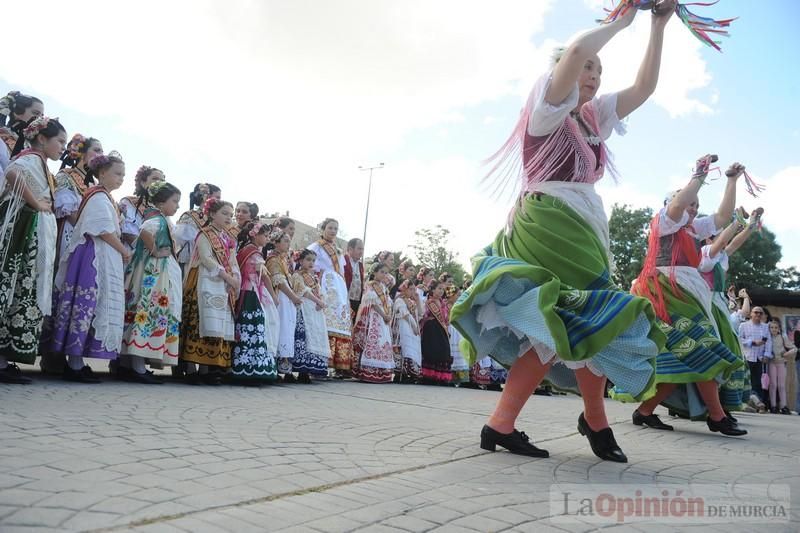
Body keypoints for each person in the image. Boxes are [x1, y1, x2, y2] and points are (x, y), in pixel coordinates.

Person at [450, 2, 679, 461]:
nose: (594, 74)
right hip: (548, 224)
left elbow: (646, 87)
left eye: (599, 69)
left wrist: (658, 25)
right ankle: (593, 423)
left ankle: (506, 424)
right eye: (587, 66)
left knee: (576, 326)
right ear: (565, 69)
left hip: (584, 227)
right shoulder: (547, 109)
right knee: (575, 321)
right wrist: (625, 19)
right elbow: (576, 48)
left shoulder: (592, 117)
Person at [623, 156, 747, 436]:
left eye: (697, 206)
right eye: (690, 203)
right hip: (664, 290)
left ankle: (644, 412)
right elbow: (680, 205)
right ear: (673, 202)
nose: (694, 209)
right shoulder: (664, 222)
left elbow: (722, 218)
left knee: (683, 358)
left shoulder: (692, 229)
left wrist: (730, 181)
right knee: (702, 348)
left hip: (686, 292)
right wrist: (700, 176)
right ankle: (717, 416)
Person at [51, 153, 129, 383]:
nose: (120, 178)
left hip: (101, 254)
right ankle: (74, 363)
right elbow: (102, 229)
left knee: (93, 305)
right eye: (117, 173)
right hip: (93, 256)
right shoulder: (97, 196)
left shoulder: (105, 197)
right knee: (86, 304)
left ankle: (77, 362)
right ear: (101, 173)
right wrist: (124, 250)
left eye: (123, 175)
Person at [0, 117, 65, 384]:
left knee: (22, 290)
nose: (63, 147)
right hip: (22, 234)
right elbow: (13, 173)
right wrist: (35, 202)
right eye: (59, 141)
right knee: (15, 286)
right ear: (41, 139)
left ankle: (4, 359)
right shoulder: (29, 158)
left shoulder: (42, 163)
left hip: (32, 233)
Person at [697, 208, 762, 417]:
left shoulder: (721, 255)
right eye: (719, 234)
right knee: (714, 351)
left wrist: (751, 223)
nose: (724, 239)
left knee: (728, 351)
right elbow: (724, 241)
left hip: (719, 305)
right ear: (709, 237)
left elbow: (735, 242)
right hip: (706, 304)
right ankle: (710, 406)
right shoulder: (706, 253)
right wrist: (735, 220)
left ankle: (719, 405)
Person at [120, 181, 183, 384]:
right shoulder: (156, 219)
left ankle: (134, 365)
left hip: (155, 272)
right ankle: (137, 367)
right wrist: (155, 251)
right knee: (146, 310)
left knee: (146, 312)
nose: (177, 206)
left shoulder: (160, 218)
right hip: (152, 275)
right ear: (162, 201)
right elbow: (145, 231)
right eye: (174, 201)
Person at [180, 198, 240, 385]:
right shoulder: (204, 234)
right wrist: (227, 277)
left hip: (222, 283)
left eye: (231, 215)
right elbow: (206, 258)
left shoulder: (228, 238)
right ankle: (190, 368)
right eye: (224, 213)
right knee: (197, 320)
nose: (229, 218)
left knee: (216, 324)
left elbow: (232, 260)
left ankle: (206, 368)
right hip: (203, 279)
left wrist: (236, 277)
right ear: (212, 214)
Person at [231, 222, 278, 383]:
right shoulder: (254, 253)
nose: (267, 238)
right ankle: (253, 368)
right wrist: (273, 296)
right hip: (251, 294)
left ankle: (242, 365)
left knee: (246, 328)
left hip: (246, 292)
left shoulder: (245, 250)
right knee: (255, 327)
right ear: (255, 235)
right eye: (265, 235)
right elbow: (264, 276)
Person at [307, 218, 354, 377]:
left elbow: (341, 269)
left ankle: (336, 365)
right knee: (326, 322)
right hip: (325, 284)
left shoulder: (338, 250)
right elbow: (312, 268)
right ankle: (321, 363)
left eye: (336, 228)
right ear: (323, 228)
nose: (333, 231)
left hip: (338, 286)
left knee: (339, 323)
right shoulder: (316, 247)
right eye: (330, 228)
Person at [266, 227, 302, 382]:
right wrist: (293, 297)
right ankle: (276, 367)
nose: (288, 243)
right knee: (281, 330)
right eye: (285, 241)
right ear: (276, 243)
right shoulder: (273, 259)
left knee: (287, 329)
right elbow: (278, 281)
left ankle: (284, 367)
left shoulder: (283, 259)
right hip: (281, 297)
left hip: (287, 299)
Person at [290, 250, 331, 383]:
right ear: (300, 261)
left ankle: (307, 371)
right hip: (304, 309)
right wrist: (318, 301)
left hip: (315, 311)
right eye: (308, 259)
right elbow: (303, 291)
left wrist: (321, 300)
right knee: (304, 338)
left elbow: (320, 291)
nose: (311, 263)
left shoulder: (314, 277)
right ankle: (301, 370)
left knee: (314, 337)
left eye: (313, 260)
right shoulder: (297, 276)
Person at [353, 263, 396, 383]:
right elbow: (372, 303)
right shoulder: (370, 285)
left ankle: (382, 372)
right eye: (382, 272)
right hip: (375, 317)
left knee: (383, 341)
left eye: (386, 272)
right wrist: (383, 315)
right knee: (375, 340)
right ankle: (369, 370)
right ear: (374, 273)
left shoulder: (384, 287)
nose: (384, 275)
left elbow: (387, 303)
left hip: (384, 318)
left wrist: (388, 316)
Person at [175, 183, 221, 273]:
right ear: (206, 197)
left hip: (213, 265)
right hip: (193, 265)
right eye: (217, 197)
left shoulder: (217, 219)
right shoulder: (190, 217)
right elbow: (179, 239)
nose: (219, 201)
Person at [119, 166, 166, 252]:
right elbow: (128, 233)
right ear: (143, 183)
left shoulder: (164, 211)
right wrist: (150, 253)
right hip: (134, 256)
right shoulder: (129, 202)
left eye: (162, 181)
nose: (159, 183)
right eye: (155, 179)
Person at [420, 280, 452, 385]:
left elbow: (446, 318)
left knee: (443, 351)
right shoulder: (429, 302)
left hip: (441, 330)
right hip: (432, 330)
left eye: (443, 289)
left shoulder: (443, 303)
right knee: (432, 351)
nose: (441, 291)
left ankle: (441, 377)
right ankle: (429, 376)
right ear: (433, 290)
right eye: (439, 288)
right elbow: (423, 315)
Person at [0, 91, 44, 167]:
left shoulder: (31, 147)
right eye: (36, 113)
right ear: (18, 112)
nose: (39, 119)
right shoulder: (2, 136)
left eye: (41, 116)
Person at [739, 307, 772, 405]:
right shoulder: (743, 325)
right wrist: (752, 342)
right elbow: (739, 339)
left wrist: (767, 355)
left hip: (759, 358)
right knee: (745, 380)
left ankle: (758, 403)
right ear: (751, 314)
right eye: (756, 312)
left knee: (757, 382)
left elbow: (768, 342)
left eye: (760, 313)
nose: (758, 314)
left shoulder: (765, 327)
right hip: (747, 357)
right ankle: (745, 403)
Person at [391, 280, 422, 383]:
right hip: (402, 328)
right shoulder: (399, 300)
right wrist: (414, 325)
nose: (412, 291)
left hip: (410, 330)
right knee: (402, 349)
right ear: (404, 289)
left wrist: (418, 301)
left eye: (414, 289)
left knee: (410, 350)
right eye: (410, 289)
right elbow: (404, 314)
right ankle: (400, 374)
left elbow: (421, 314)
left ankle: (410, 373)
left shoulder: (412, 302)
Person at [767, 320, 796, 414]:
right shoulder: (767, 337)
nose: (774, 329)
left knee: (781, 385)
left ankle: (784, 406)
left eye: (776, 327)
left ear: (779, 328)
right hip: (771, 362)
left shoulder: (783, 337)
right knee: (773, 385)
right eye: (772, 327)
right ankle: (773, 406)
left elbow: (794, 348)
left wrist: (787, 354)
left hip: (781, 363)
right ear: (769, 328)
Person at [446, 287, 470, 385]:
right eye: (458, 295)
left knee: (460, 353)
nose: (460, 297)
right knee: (453, 352)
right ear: (451, 296)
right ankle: (451, 378)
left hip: (459, 330)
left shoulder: (460, 305)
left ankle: (462, 379)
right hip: (451, 329)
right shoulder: (446, 306)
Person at [344, 238, 365, 317]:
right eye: (359, 248)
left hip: (357, 300)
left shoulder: (360, 265)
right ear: (350, 249)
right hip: (345, 298)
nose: (361, 252)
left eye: (362, 249)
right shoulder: (343, 261)